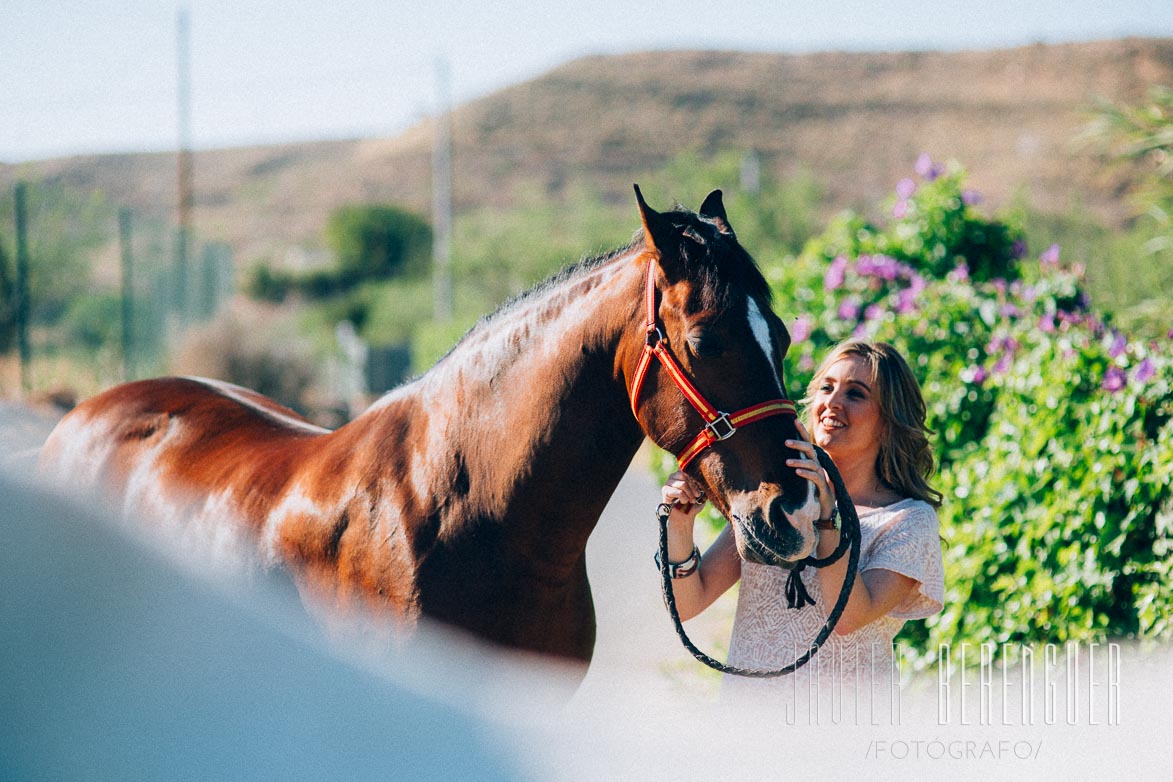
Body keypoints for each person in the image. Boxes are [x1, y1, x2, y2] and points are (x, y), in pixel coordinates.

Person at [659, 340, 944, 711]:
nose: (833, 403)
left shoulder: (909, 520)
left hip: (842, 736)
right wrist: (680, 528)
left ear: (889, 421)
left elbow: (848, 617)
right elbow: (688, 603)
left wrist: (827, 520)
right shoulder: (774, 499)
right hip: (749, 726)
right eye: (826, 388)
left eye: (856, 394)